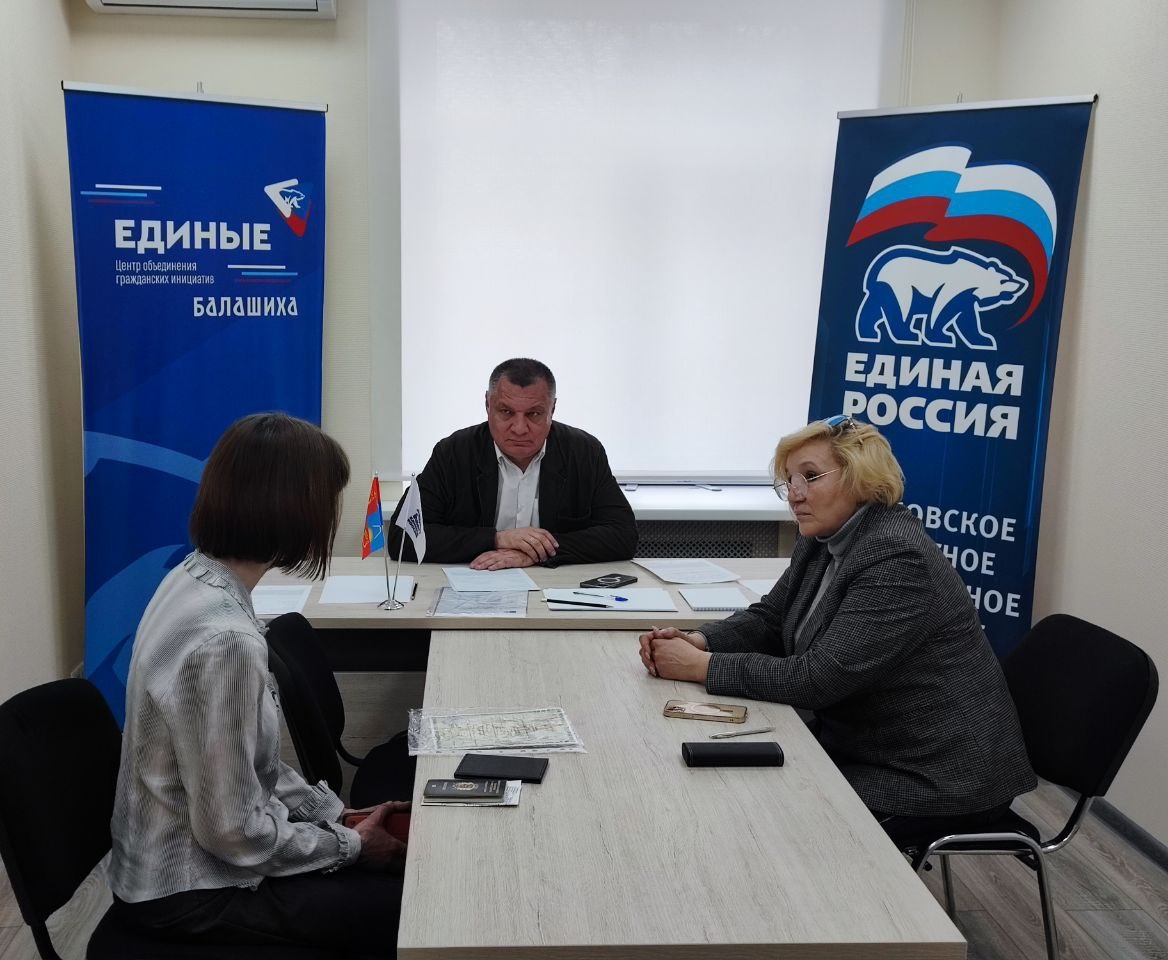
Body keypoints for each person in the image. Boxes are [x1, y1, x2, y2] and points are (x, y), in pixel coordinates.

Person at [638, 415, 1036, 848]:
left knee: (759, 814)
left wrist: (701, 666)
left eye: (810, 477)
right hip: (866, 745)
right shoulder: (823, 537)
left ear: (861, 475)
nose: (795, 493)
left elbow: (817, 680)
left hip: (932, 775)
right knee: (732, 789)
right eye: (789, 481)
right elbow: (771, 617)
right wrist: (701, 641)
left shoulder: (898, 557)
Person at [108, 412, 408, 956]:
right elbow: (232, 833)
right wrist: (349, 846)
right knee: (409, 910)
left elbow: (247, 767)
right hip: (190, 891)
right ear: (292, 507)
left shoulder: (191, 577)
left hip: (180, 864)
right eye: (327, 500)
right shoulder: (225, 640)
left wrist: (336, 817)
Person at [388, 357, 638, 569]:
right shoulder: (454, 452)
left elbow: (623, 536)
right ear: (488, 405)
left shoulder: (583, 452)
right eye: (506, 412)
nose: (519, 428)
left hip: (555, 585)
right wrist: (497, 539)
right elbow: (403, 537)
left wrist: (535, 552)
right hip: (476, 581)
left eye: (534, 414)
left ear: (552, 409)